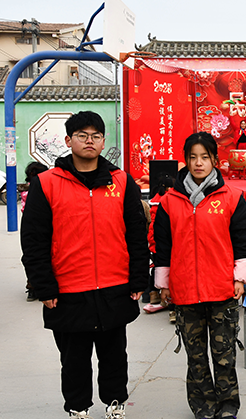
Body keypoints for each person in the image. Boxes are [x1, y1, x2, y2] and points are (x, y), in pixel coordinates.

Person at [21, 111, 150, 419]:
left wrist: (138, 279)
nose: (89, 141)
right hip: (68, 289)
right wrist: (43, 285)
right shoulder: (47, 183)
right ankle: (78, 408)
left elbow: (136, 234)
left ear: (104, 142)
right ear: (69, 140)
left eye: (95, 136)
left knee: (114, 355)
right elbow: (34, 240)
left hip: (114, 286)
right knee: (74, 359)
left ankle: (115, 402)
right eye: (82, 135)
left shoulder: (121, 182)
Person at [153, 132, 246, 419]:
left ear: (214, 160)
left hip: (222, 289)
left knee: (224, 356)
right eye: (193, 157)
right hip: (185, 291)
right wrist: (163, 282)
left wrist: (240, 278)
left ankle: (228, 405)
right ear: (185, 160)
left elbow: (243, 241)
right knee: (195, 358)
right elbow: (163, 245)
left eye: (205, 157)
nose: (199, 163)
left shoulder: (232, 197)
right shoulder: (170, 201)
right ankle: (202, 406)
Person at [144, 173, 176, 316]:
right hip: (166, 241)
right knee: (170, 271)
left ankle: (152, 294)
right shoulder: (170, 200)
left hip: (154, 241)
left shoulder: (155, 201)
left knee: (156, 268)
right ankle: (171, 306)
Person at [20, 161, 49, 302]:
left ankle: (32, 286)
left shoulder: (26, 191)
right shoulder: (44, 189)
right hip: (44, 226)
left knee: (31, 256)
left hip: (29, 227)